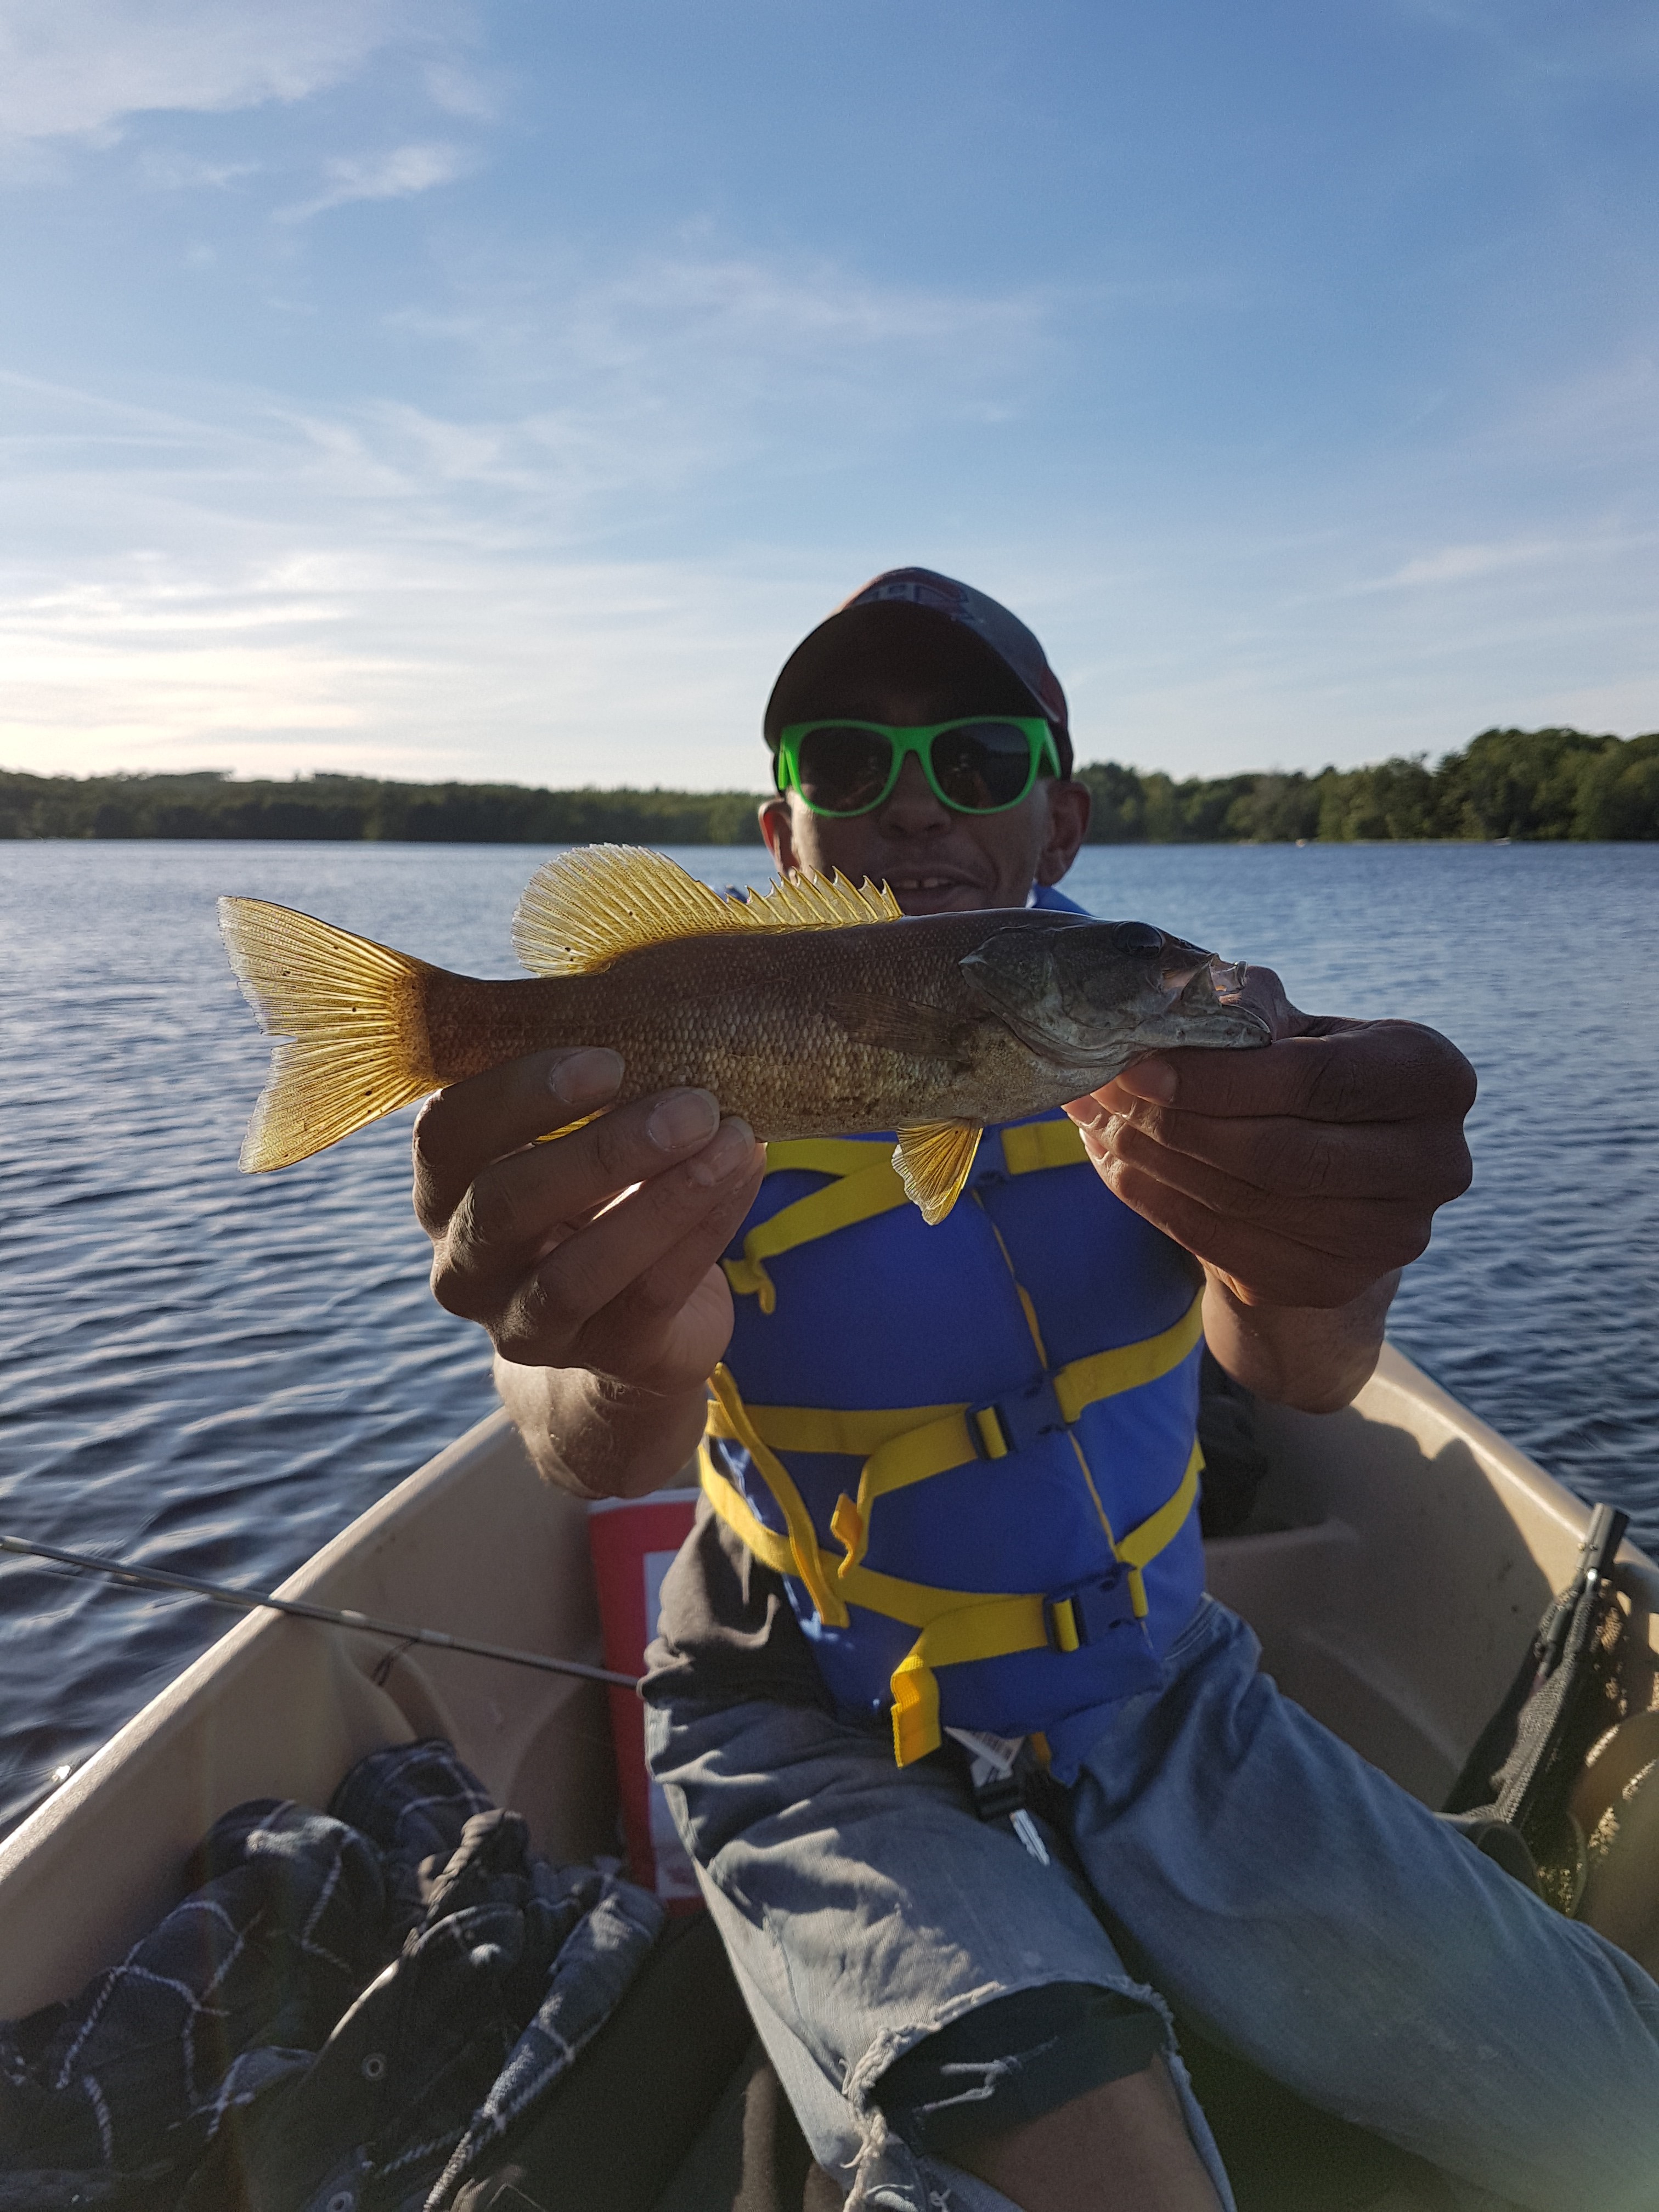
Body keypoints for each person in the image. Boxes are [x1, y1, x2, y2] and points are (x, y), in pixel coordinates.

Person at [413, 571, 1659, 2212]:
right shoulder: (700, 1046)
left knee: (1620, 2105)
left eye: (979, 762)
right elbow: (591, 1453)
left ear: (1061, 821)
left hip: (1165, 1690)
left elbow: (1296, 1373)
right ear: (778, 832)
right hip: (814, 1725)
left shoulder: (1179, 1032)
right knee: (1085, 2154)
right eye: (845, 765)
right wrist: (586, 1348)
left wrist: (1332, 1259)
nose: (914, 802)